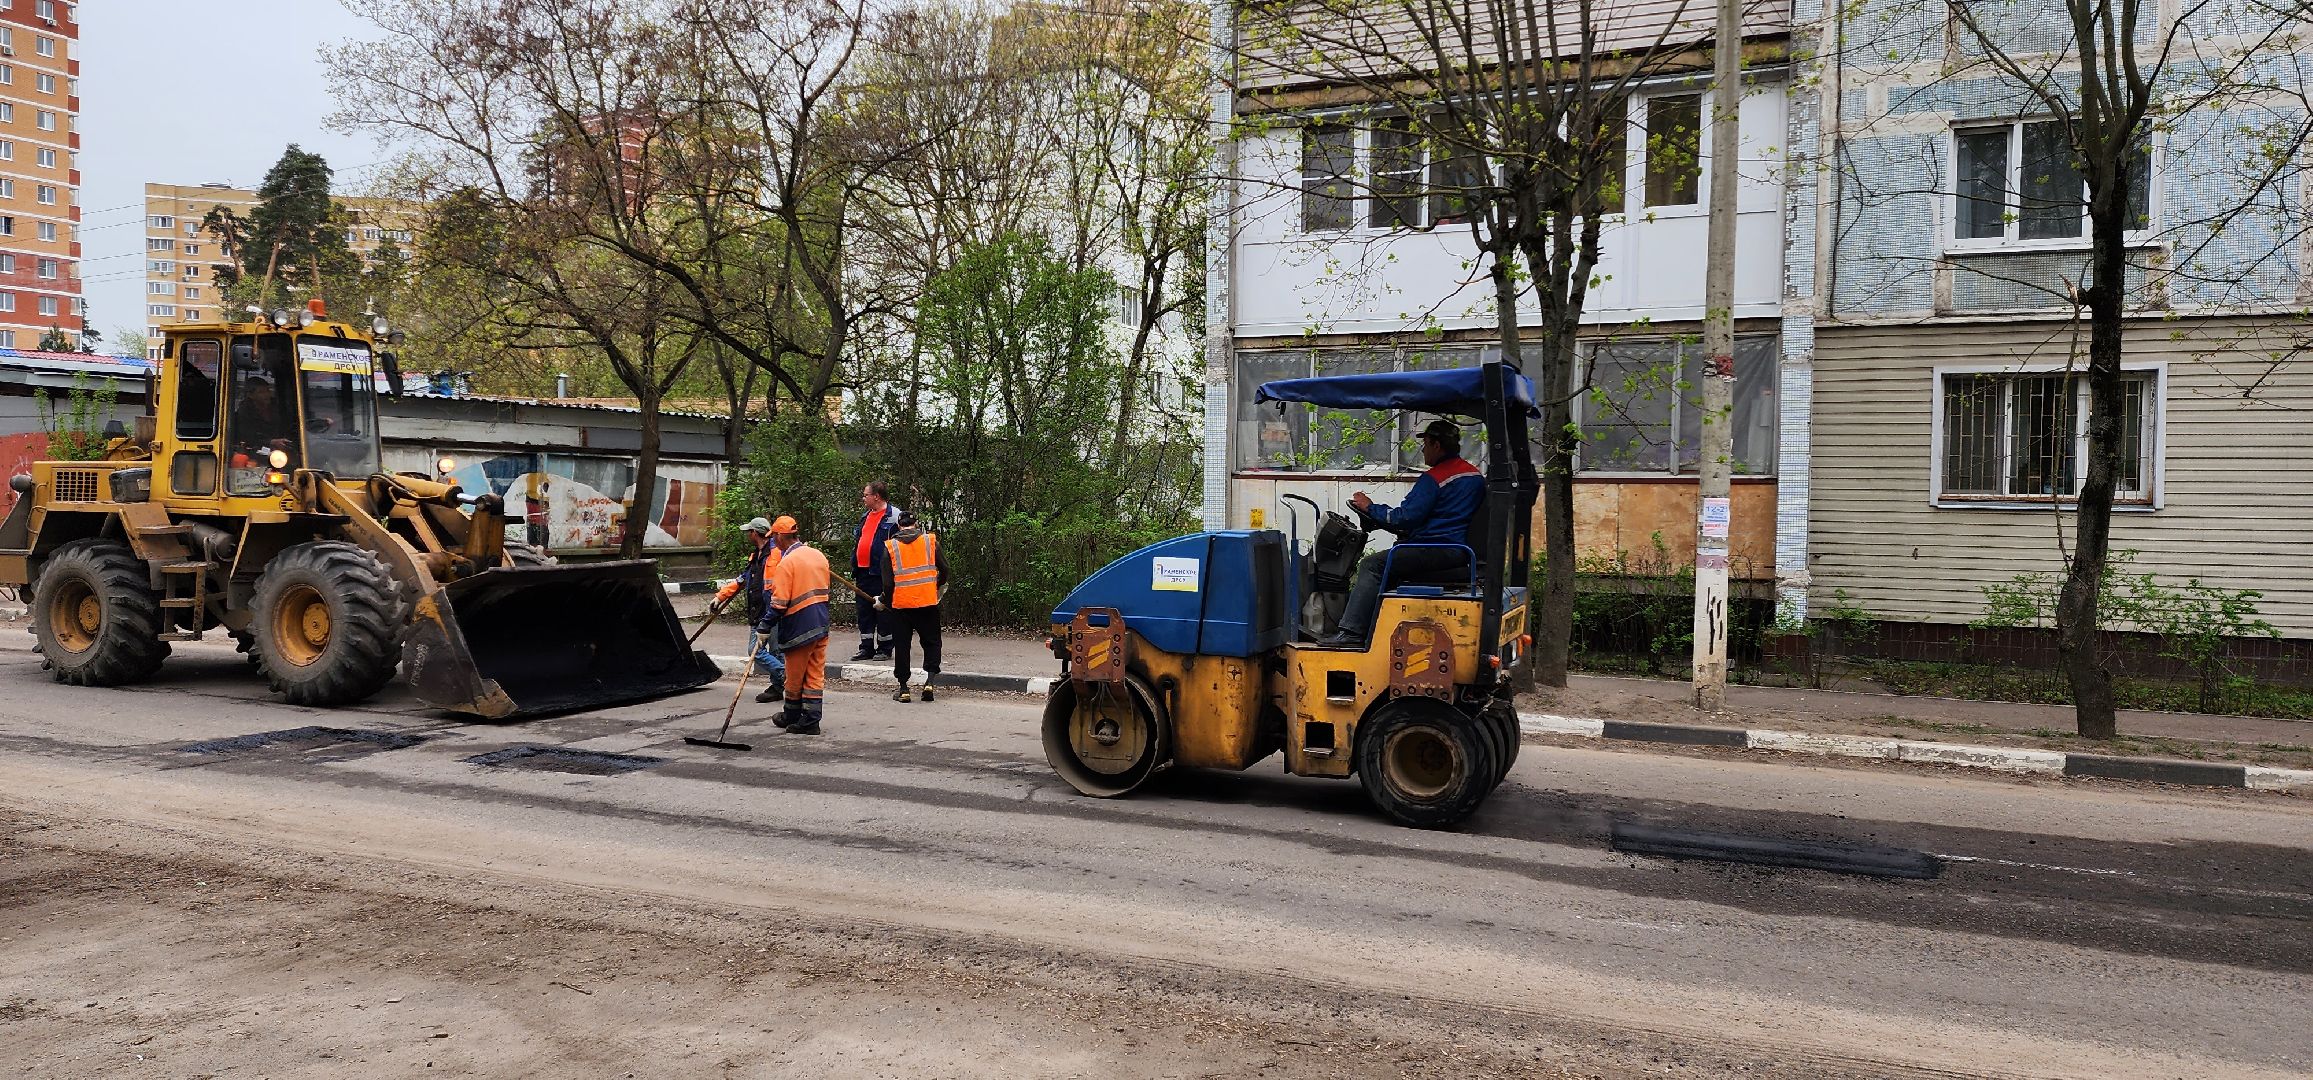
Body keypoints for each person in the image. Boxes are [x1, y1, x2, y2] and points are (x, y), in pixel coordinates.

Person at [1319, 419, 1485, 647]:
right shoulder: (1473, 475)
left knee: (1372, 565)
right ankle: (1375, 632)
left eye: (1425, 444)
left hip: (1435, 548)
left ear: (1437, 445)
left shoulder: (1436, 478)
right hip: (1455, 548)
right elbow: (1430, 517)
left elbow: (1404, 518)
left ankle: (1352, 633)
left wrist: (1370, 508)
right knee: (1390, 562)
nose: (1423, 450)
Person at [760, 516, 833, 735]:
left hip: (799, 627)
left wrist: (764, 627)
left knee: (794, 677)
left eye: (773, 537)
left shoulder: (787, 563)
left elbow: (779, 603)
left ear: (780, 536)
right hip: (821, 623)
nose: (773, 541)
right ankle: (811, 720)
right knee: (814, 675)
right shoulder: (817, 555)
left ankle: (791, 715)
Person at [712, 517, 785, 702]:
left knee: (774, 651)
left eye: (749, 532)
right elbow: (741, 580)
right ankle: (785, 677)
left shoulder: (778, 554)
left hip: (774, 611)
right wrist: (720, 597)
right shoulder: (755, 557)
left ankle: (779, 685)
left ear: (755, 533)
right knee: (756, 650)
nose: (747, 535)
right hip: (757, 611)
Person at [878, 511, 948, 703]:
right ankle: (930, 683)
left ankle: (904, 689)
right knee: (932, 642)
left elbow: (888, 584)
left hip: (901, 605)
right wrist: (936, 586)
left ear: (899, 526)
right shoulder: (930, 541)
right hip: (927, 602)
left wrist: (884, 600)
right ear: (916, 524)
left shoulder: (890, 547)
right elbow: (945, 569)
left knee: (902, 645)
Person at [848, 481, 903, 662]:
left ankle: (885, 648)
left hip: (882, 574)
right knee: (864, 611)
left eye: (866, 495)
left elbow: (902, 544)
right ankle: (866, 647)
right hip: (863, 572)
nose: (863, 498)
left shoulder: (895, 516)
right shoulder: (865, 516)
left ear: (876, 496)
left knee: (884, 611)